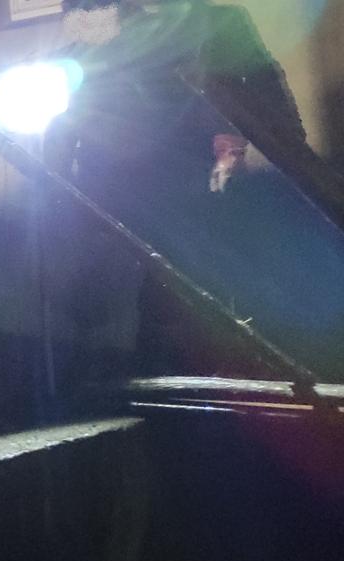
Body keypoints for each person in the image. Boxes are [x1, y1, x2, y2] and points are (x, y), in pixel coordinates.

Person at [46, 0, 344, 378]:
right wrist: (55, 183)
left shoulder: (213, 22)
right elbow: (66, 121)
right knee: (129, 310)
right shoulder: (89, 36)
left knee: (195, 303)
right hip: (115, 196)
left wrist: (254, 143)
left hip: (196, 186)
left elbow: (266, 87)